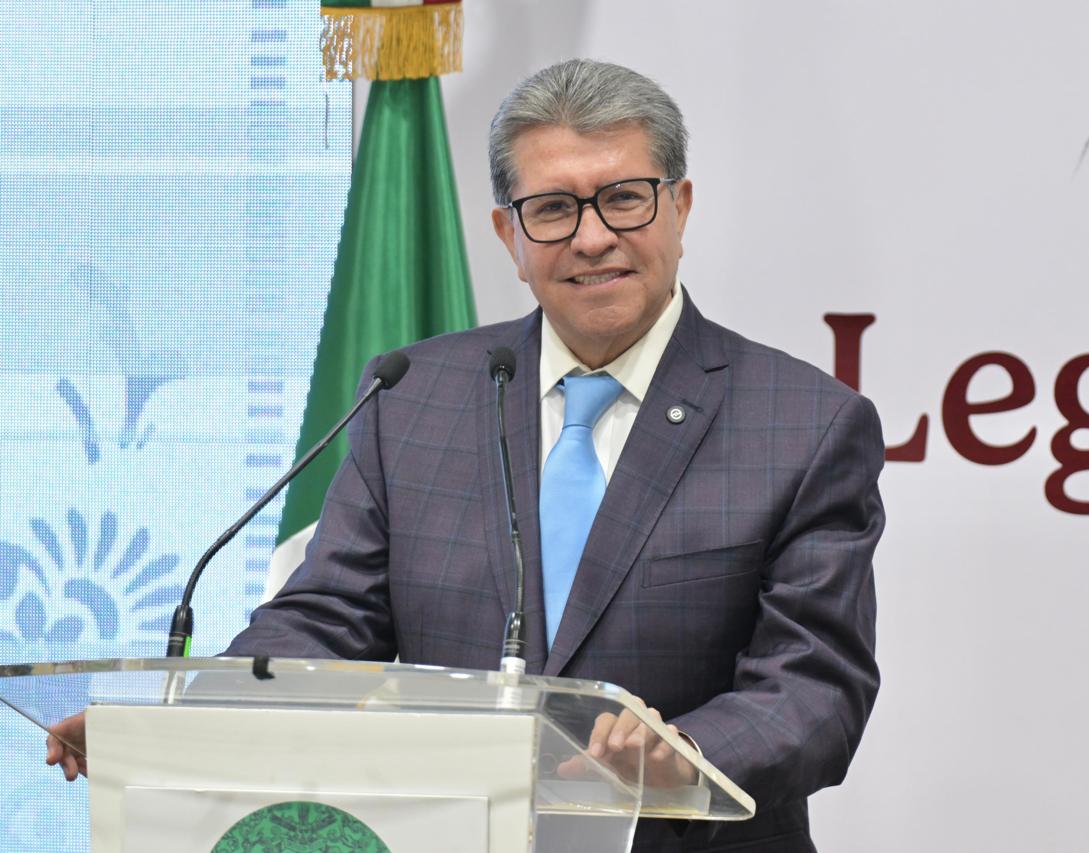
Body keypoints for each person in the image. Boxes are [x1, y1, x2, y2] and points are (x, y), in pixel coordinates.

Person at [49, 59, 885, 852]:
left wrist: (687, 755)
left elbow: (816, 684)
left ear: (680, 207)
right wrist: (178, 728)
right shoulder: (414, 394)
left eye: (625, 199)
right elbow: (327, 621)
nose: (592, 237)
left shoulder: (804, 423)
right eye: (553, 209)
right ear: (508, 235)